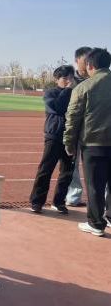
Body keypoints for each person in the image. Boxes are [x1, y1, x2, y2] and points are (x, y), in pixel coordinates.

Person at [64, 48, 111, 237]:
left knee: (94, 186)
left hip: (93, 144)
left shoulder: (84, 87)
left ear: (90, 65)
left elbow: (73, 118)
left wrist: (69, 144)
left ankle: (96, 223)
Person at [29, 65, 75, 214]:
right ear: (57, 79)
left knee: (67, 172)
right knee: (46, 169)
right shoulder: (51, 93)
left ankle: (59, 201)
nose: (68, 80)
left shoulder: (76, 93)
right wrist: (67, 90)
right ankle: (37, 202)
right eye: (65, 78)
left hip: (71, 137)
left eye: (71, 77)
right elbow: (58, 107)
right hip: (54, 135)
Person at [65, 46, 92, 207]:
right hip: (74, 127)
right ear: (77, 60)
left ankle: (103, 202)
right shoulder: (69, 79)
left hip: (92, 129)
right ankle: (73, 197)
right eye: (85, 59)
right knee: (71, 164)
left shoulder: (96, 79)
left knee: (97, 165)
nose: (89, 62)